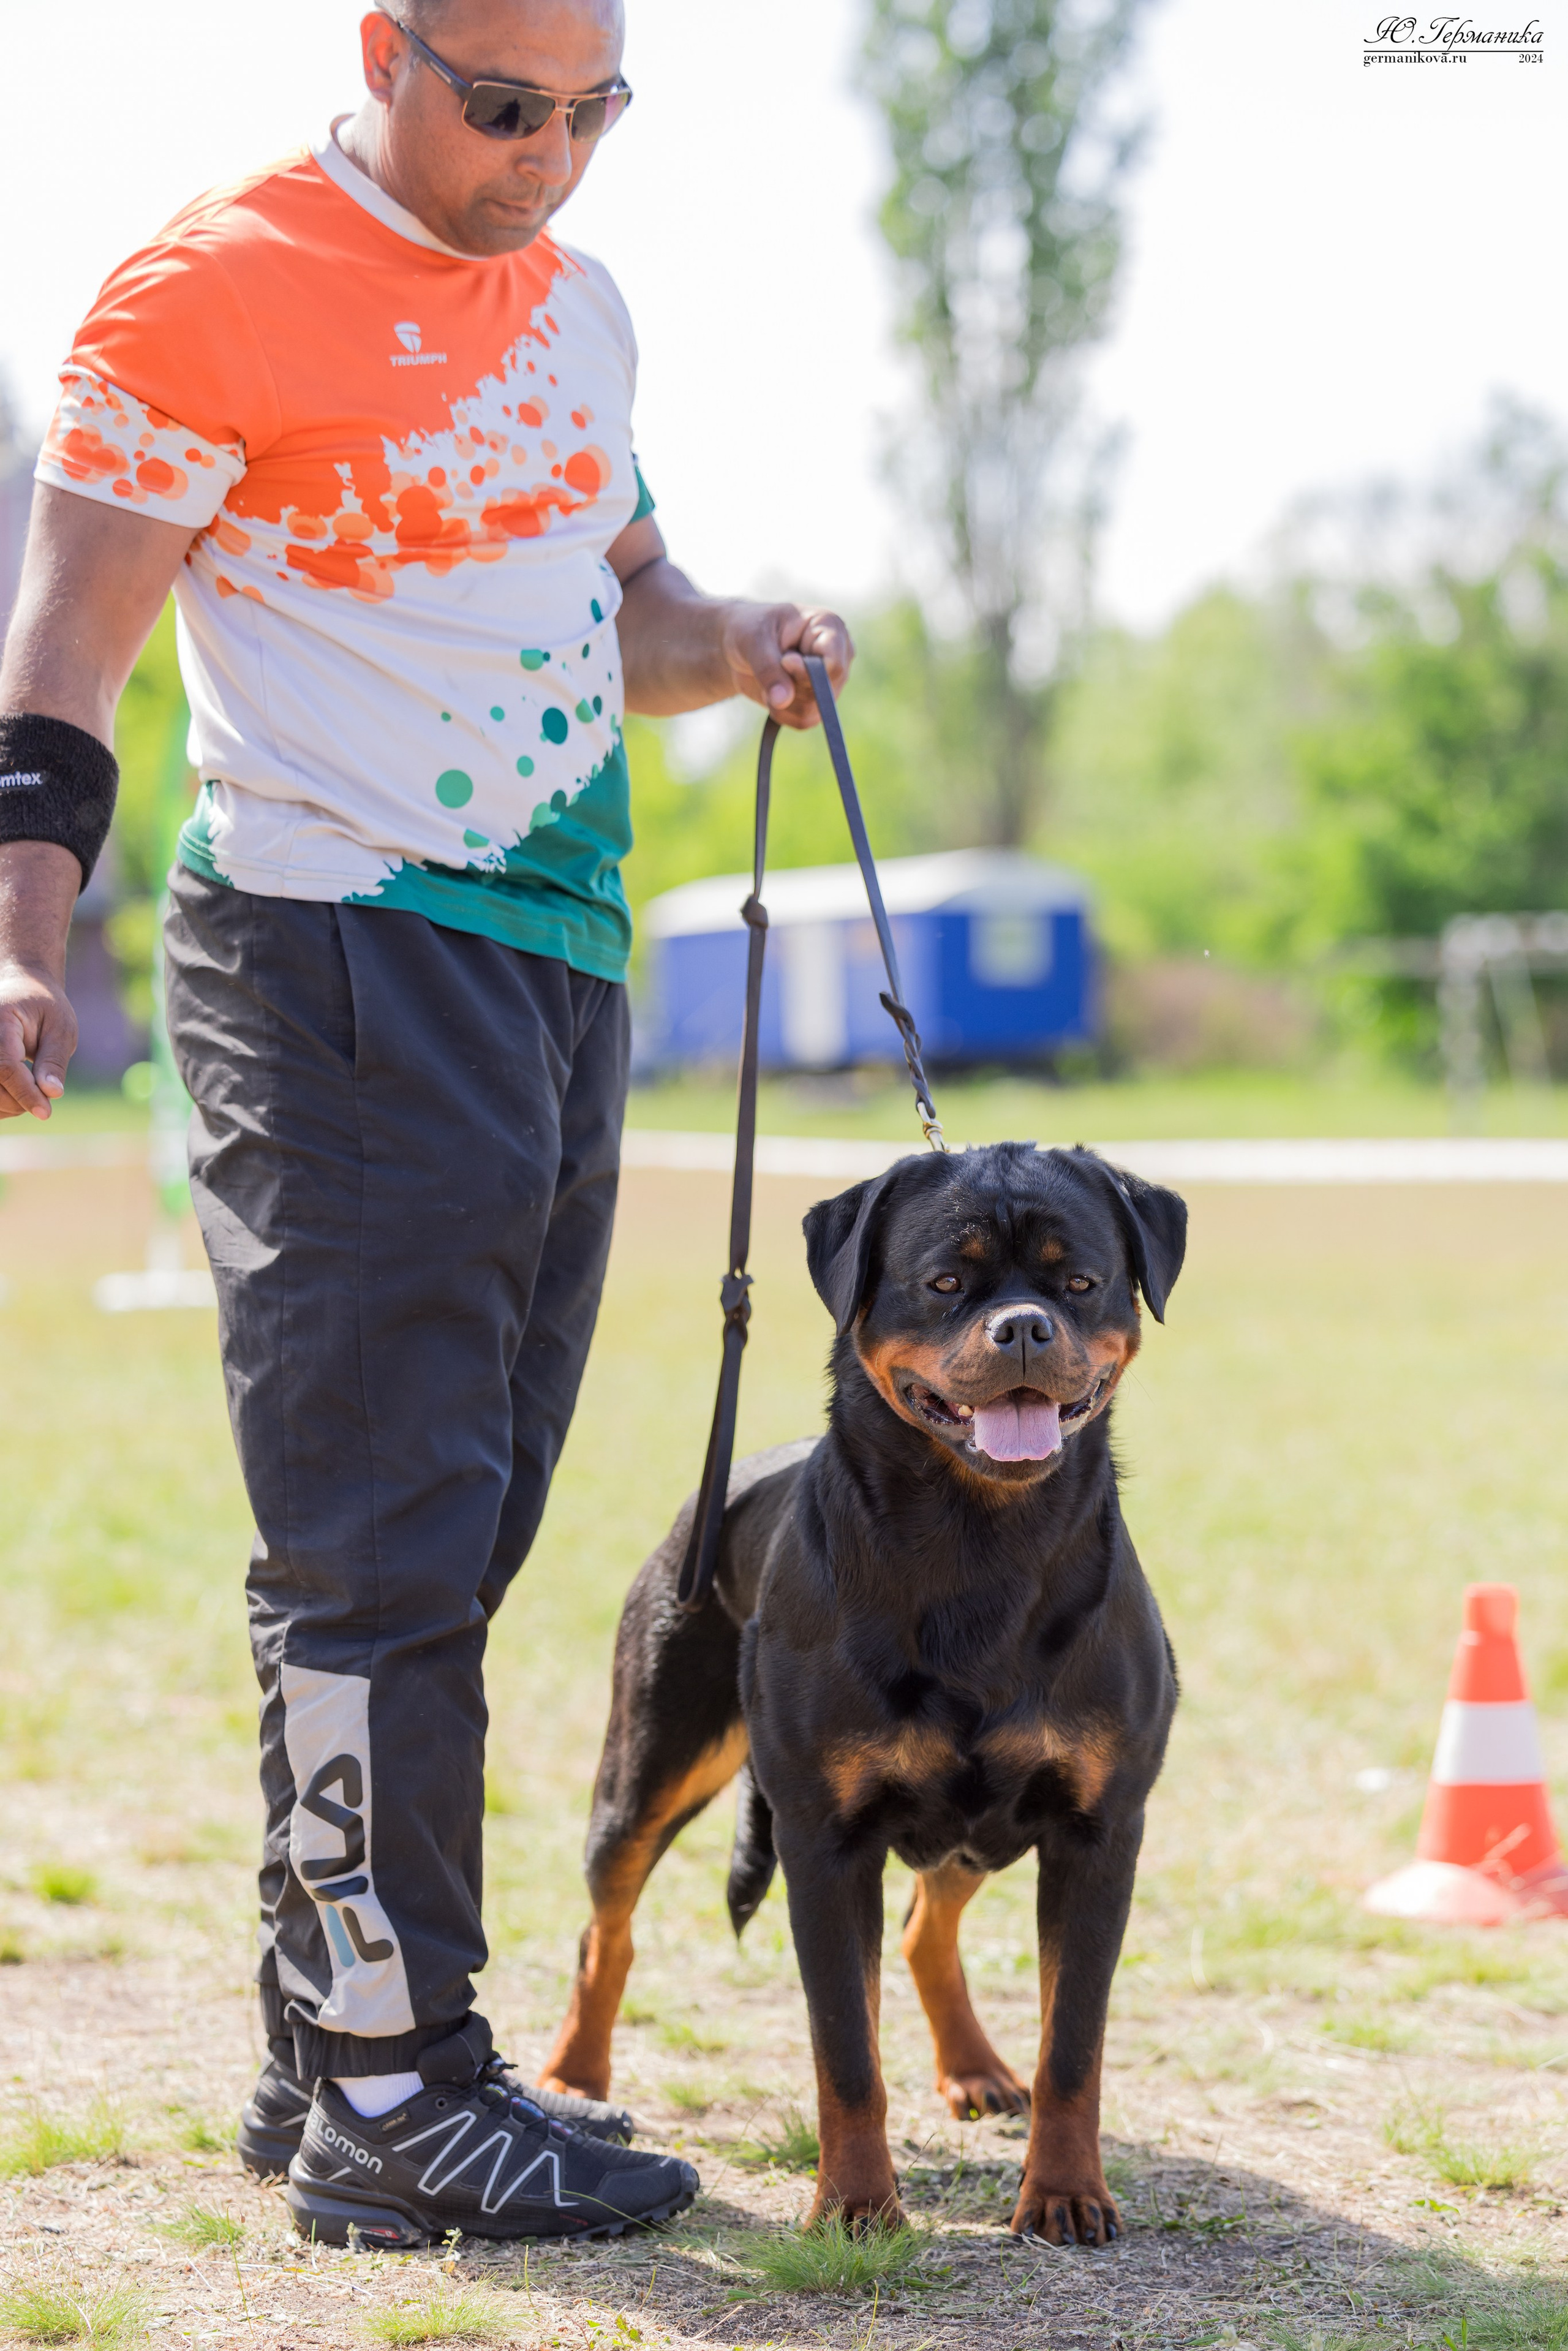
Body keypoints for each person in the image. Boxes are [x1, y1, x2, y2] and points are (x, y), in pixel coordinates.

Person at [0, 0, 851, 2247]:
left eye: (598, 116)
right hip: (336, 942)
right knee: (378, 1540)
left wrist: (739, 633)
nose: (551, 161)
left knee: (460, 1532)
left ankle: (336, 2048)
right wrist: (20, 928)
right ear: (387, 45)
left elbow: (633, 611)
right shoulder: (212, 285)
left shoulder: (579, 317)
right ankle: (400, 2084)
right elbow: (66, 649)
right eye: (504, 108)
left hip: (562, 957)